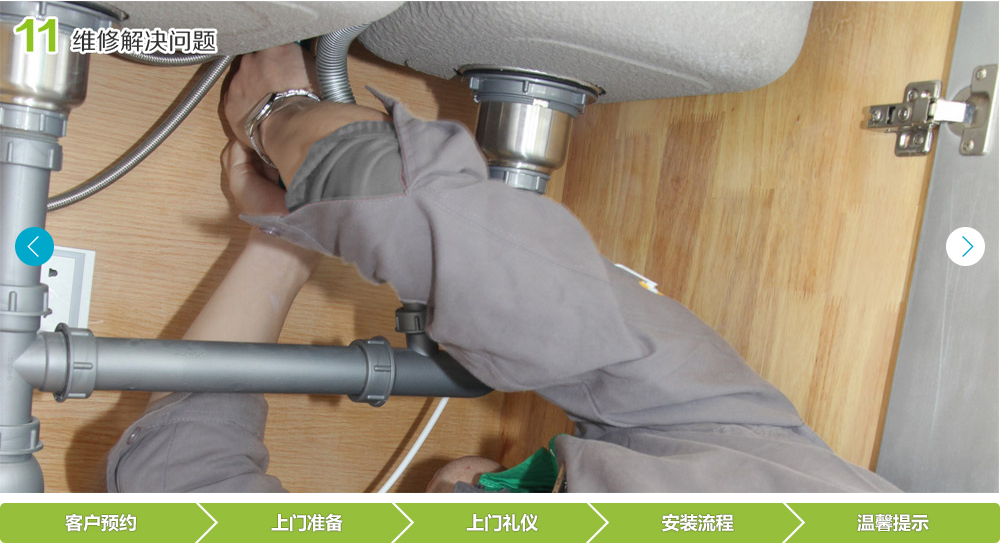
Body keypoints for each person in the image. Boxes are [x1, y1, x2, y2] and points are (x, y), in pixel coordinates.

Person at [106, 44, 900, 493]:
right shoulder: (756, 467)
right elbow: (478, 255)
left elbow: (178, 484)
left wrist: (277, 122)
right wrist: (285, 189)